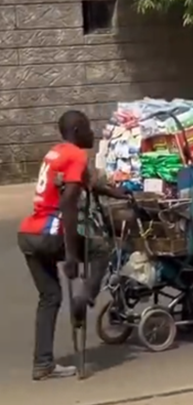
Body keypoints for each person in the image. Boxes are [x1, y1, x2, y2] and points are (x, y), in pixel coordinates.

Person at [19, 110, 128, 380]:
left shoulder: (57, 153)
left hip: (28, 233)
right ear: (78, 130)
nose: (93, 133)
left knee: (50, 297)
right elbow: (68, 202)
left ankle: (42, 363)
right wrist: (69, 255)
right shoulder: (77, 155)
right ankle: (86, 296)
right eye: (89, 128)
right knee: (101, 250)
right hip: (50, 232)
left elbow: (88, 184)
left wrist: (120, 193)